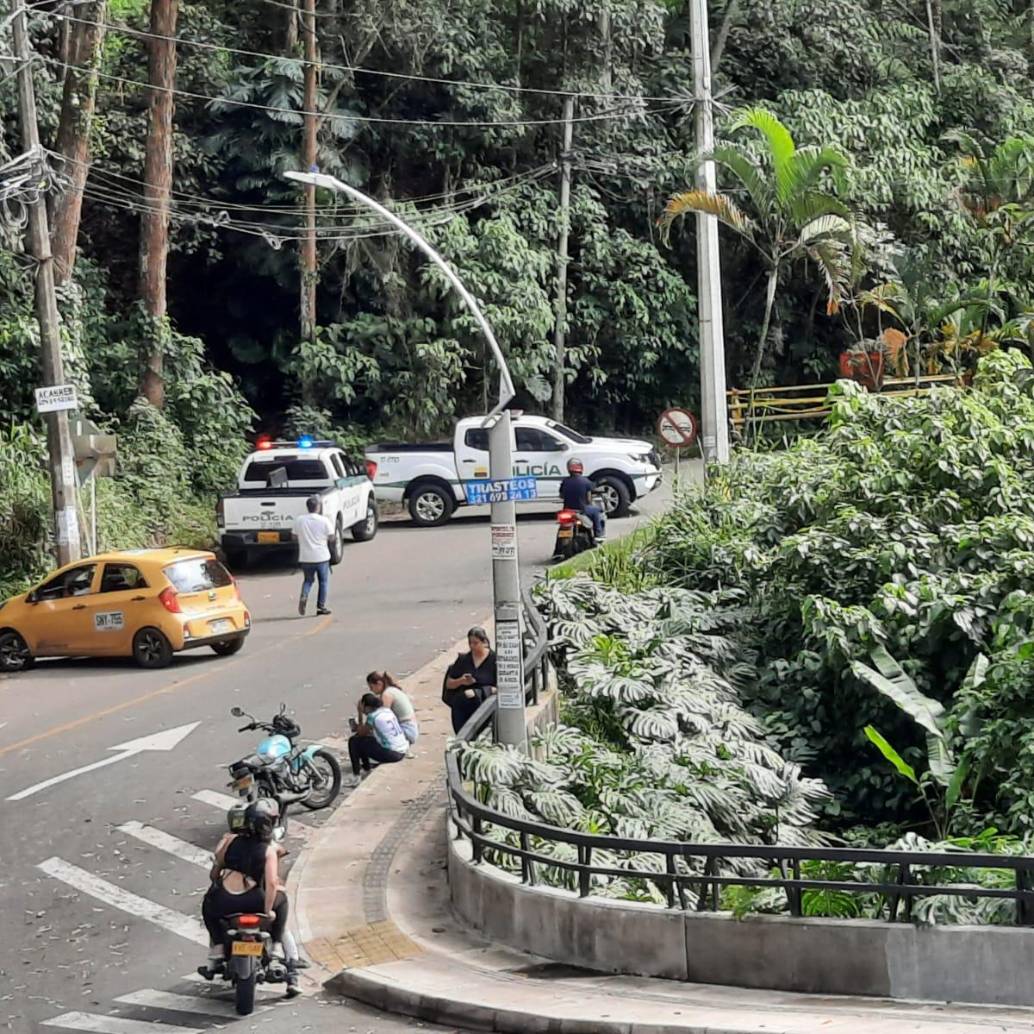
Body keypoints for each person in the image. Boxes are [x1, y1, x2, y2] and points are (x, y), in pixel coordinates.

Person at [199, 799, 304, 996]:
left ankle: (218, 948)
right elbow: (272, 883)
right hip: (256, 901)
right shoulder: (269, 850)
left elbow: (214, 874)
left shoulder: (230, 841)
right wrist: (268, 911)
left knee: (208, 904)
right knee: (282, 902)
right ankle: (279, 952)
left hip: (225, 902)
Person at [442, 626, 497, 734]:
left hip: (483, 704)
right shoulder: (463, 660)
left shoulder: (494, 660)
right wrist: (461, 681)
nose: (472, 646)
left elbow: (498, 687)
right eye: (470, 643)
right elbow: (449, 684)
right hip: (462, 706)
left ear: (484, 642)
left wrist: (478, 692)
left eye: (475, 643)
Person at [348, 692, 409, 778]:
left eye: (363, 707)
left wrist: (359, 714)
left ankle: (356, 775)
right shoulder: (387, 710)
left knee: (354, 741)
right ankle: (366, 768)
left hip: (392, 754)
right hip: (402, 749)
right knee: (364, 741)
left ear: (367, 707)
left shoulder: (372, 717)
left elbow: (361, 733)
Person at [295, 495, 334, 616]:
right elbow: (332, 537)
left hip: (306, 557)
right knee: (323, 582)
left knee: (308, 580)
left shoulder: (300, 520)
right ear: (318, 507)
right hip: (322, 556)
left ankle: (304, 596)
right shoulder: (324, 520)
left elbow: (294, 536)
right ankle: (320, 607)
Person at [364, 670, 419, 744]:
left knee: (372, 736)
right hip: (411, 728)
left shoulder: (387, 695)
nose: (371, 690)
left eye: (371, 687)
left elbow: (382, 717)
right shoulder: (393, 690)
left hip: (406, 730)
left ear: (379, 684)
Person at [559, 457, 605, 541]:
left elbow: (561, 495)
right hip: (582, 510)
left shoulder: (565, 481)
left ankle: (558, 549)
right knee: (597, 511)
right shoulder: (585, 481)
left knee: (561, 530)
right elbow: (594, 488)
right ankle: (599, 534)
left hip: (567, 510)